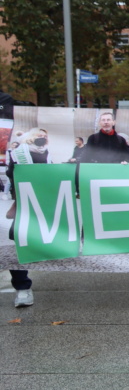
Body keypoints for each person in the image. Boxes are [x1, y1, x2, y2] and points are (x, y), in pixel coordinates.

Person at [7, 126, 53, 307]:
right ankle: (22, 288)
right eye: (38, 135)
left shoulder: (47, 154)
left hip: (45, 203)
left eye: (44, 135)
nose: (42, 138)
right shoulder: (18, 153)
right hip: (25, 204)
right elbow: (11, 175)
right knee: (19, 243)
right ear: (30, 137)